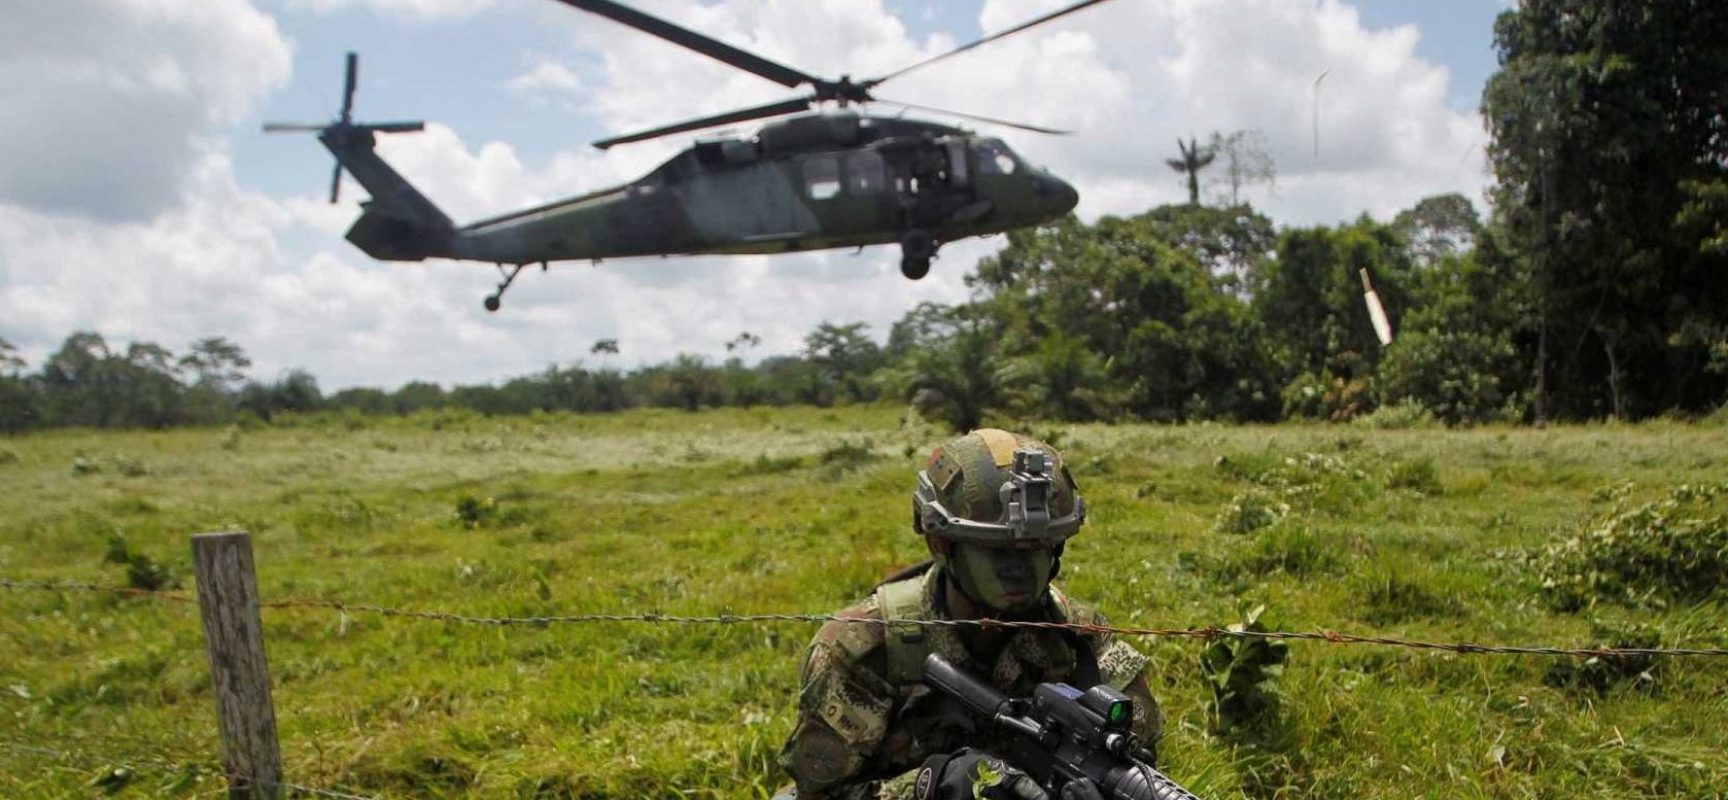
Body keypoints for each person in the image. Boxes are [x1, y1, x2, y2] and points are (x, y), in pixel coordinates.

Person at [776, 429, 1162, 800]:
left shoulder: (1083, 642)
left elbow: (1141, 762)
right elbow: (818, 795)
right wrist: (933, 784)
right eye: (997, 551)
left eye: (1036, 549)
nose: (1019, 569)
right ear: (941, 544)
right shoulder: (867, 647)